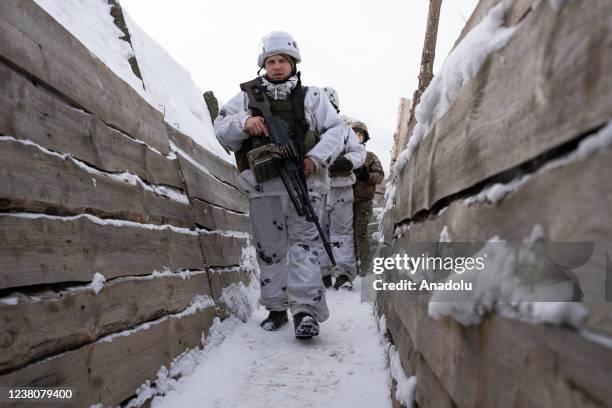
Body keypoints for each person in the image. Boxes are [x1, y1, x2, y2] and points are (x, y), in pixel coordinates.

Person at [214, 31, 345, 339]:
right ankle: (276, 309)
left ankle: (305, 313)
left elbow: (336, 131)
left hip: (305, 184)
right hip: (263, 187)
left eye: (282, 61)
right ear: (263, 65)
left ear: (293, 63)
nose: (276, 67)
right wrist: (245, 123)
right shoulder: (247, 98)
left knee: (304, 247)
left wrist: (315, 159)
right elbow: (221, 127)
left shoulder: (313, 96)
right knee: (269, 250)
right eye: (270, 61)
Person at [319, 87, 366, 290]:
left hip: (341, 187)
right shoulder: (309, 127)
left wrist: (346, 162)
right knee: (318, 230)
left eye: (331, 105)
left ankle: (344, 273)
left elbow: (359, 152)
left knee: (341, 232)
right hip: (317, 188)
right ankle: (322, 272)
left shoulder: (345, 131)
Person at [351, 121, 384, 276]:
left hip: (363, 201)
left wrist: (366, 175)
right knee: (346, 236)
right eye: (354, 134)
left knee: (361, 234)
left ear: (365, 138)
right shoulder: (345, 154)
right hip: (344, 201)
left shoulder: (370, 157)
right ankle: (350, 269)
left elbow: (379, 177)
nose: (357, 137)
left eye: (360, 134)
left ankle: (365, 270)